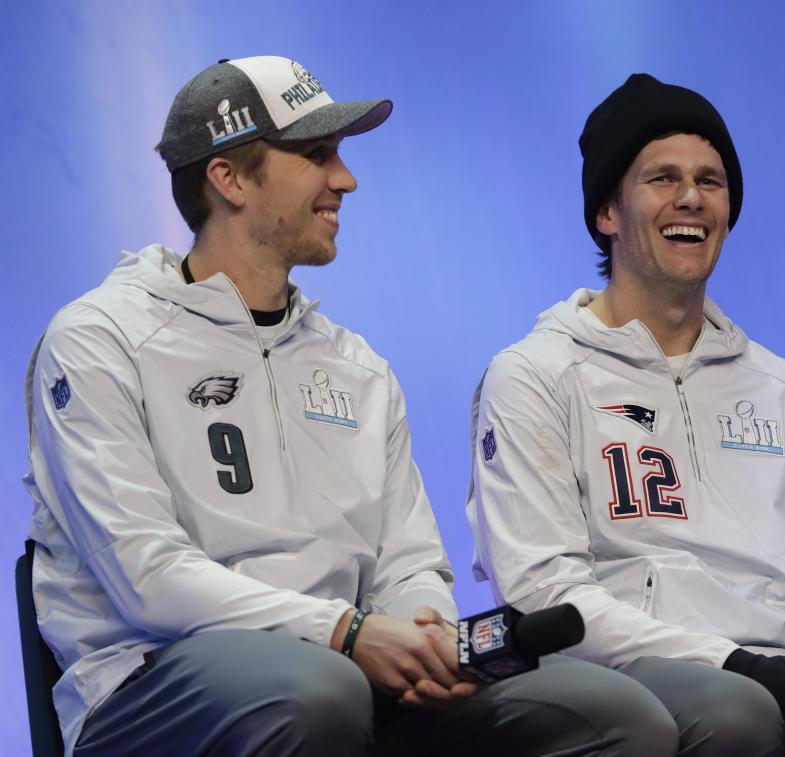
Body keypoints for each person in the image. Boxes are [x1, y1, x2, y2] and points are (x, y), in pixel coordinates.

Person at [23, 57, 682, 756]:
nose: (345, 178)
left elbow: (408, 563)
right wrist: (348, 633)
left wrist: (423, 637)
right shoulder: (100, 339)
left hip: (341, 675)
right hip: (151, 684)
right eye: (316, 154)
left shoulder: (357, 366)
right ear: (230, 178)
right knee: (315, 693)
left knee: (616, 713)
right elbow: (148, 579)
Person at [466, 73, 785, 755]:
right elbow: (545, 592)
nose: (692, 197)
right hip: (652, 680)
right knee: (739, 714)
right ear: (607, 211)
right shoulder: (535, 375)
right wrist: (738, 666)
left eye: (711, 179)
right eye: (662, 178)